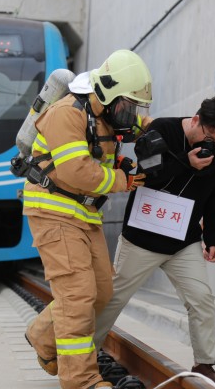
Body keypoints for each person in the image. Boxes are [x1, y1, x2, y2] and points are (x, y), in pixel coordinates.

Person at [23, 49, 153, 389]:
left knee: (101, 291)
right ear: (108, 95)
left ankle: (42, 336)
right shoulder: (66, 114)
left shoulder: (109, 113)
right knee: (78, 296)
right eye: (128, 105)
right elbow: (76, 169)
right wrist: (123, 180)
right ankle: (80, 380)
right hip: (53, 211)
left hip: (82, 214)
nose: (131, 114)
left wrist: (168, 129)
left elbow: (139, 124)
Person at [93, 96, 215, 389]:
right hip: (143, 235)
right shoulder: (162, 130)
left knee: (201, 299)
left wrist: (213, 237)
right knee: (114, 297)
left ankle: (204, 364)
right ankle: (83, 356)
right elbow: (146, 174)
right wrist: (186, 163)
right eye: (210, 138)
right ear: (197, 120)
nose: (214, 145)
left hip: (183, 239)